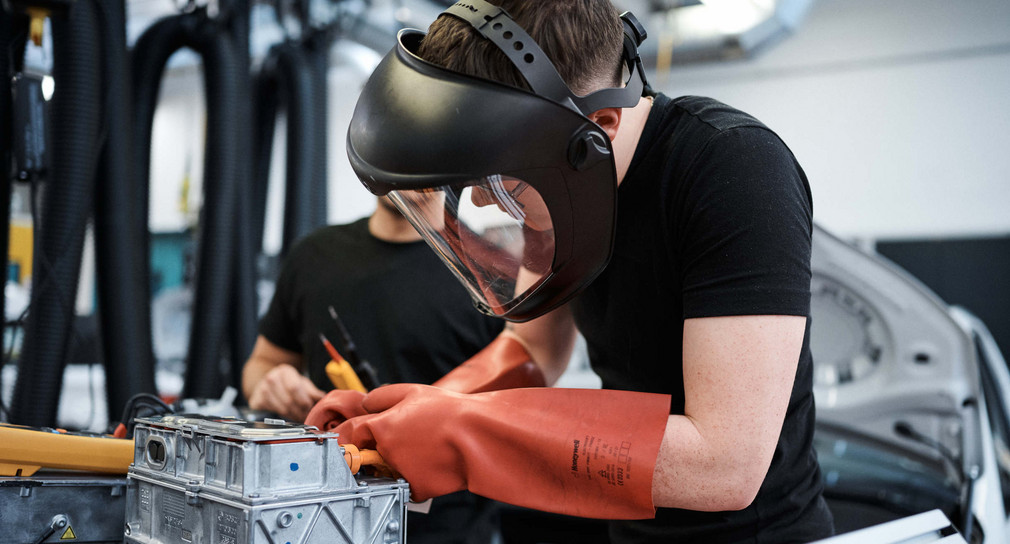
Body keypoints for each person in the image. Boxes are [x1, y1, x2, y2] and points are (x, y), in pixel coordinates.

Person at [310, 0, 836, 542]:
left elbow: (722, 465)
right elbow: (533, 349)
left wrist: (464, 431)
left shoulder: (735, 169)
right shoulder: (564, 182)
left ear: (598, 128)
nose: (490, 206)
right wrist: (409, 414)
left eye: (504, 185)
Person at [242, 195, 505, 544]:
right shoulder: (313, 257)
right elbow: (261, 365)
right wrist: (271, 383)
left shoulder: (495, 272)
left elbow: (514, 405)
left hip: (450, 528)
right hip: (321, 516)